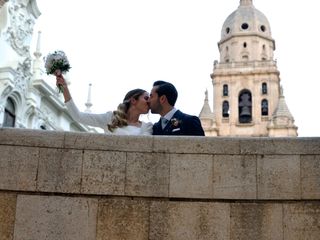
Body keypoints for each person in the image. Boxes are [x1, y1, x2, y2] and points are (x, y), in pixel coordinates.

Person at [55, 74, 153, 135]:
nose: (149, 101)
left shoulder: (147, 127)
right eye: (146, 98)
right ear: (133, 100)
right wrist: (64, 89)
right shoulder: (110, 118)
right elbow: (78, 116)